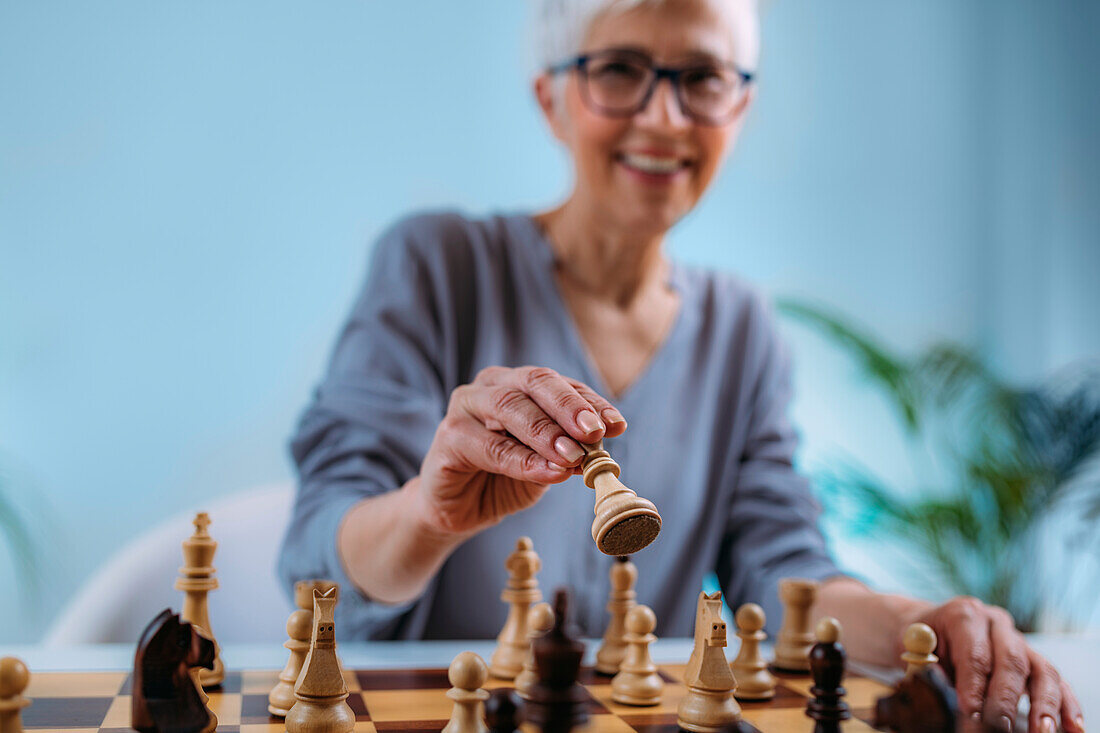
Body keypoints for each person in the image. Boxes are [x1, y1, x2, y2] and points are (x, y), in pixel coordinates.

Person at [277, 1, 1083, 731]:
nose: (664, 118)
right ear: (550, 99)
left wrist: (925, 622)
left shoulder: (743, 327)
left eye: (702, 78)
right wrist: (427, 512)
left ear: (741, 106)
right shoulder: (436, 264)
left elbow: (786, 577)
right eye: (620, 69)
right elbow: (318, 554)